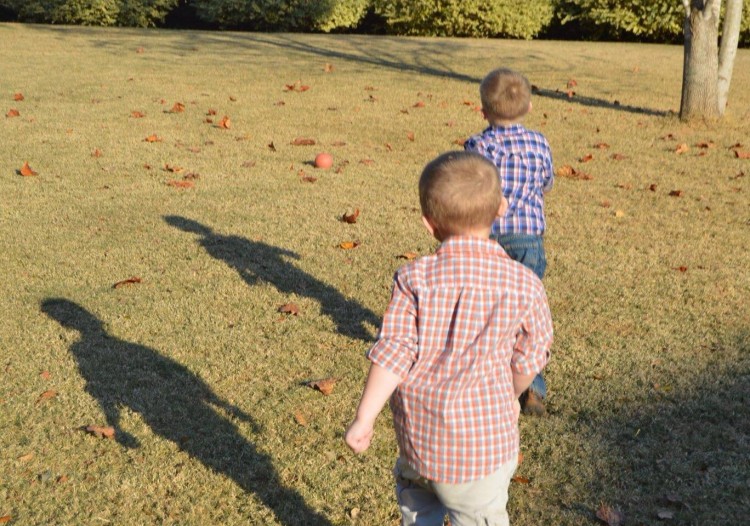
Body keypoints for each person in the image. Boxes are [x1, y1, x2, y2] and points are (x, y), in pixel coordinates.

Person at [345, 151, 553, 526]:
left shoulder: (414, 278)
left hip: (418, 445)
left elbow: (393, 351)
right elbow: (532, 354)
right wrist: (510, 392)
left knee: (419, 513)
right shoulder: (524, 283)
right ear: (501, 208)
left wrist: (364, 418)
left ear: (429, 225)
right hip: (480, 451)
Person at [464, 67, 554, 416]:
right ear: (529, 108)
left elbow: (469, 187)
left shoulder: (477, 144)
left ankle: (481, 376)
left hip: (485, 239)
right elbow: (547, 182)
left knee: (485, 310)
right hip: (528, 241)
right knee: (526, 313)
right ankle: (532, 387)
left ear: (484, 111)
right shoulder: (539, 143)